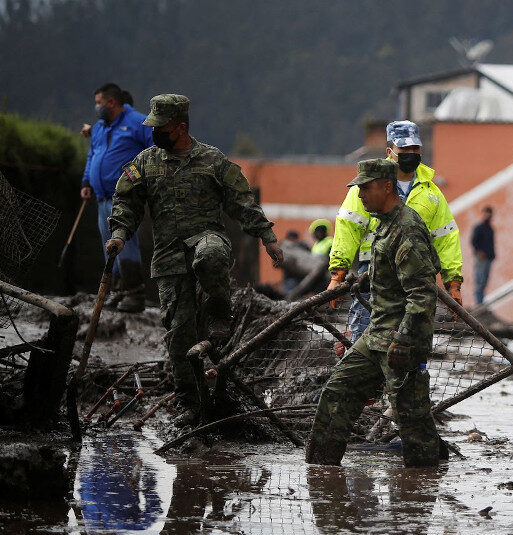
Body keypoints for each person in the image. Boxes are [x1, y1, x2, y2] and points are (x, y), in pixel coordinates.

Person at [105, 94, 283, 423]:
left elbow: (242, 200)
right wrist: (119, 234)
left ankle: (219, 311)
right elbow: (126, 202)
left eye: (161, 127)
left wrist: (267, 237)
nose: (155, 133)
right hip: (169, 257)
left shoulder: (212, 160)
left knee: (210, 255)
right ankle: (191, 402)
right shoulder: (145, 162)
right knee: (179, 334)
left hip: (207, 237)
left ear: (181, 127)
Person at [306, 159, 444, 467]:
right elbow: (391, 270)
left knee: (411, 417)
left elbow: (422, 293)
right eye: (359, 189)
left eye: (366, 188)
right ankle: (320, 470)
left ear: (387, 187)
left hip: (401, 338)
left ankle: (424, 483)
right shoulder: (384, 224)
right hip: (378, 333)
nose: (360, 195)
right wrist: (364, 279)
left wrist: (405, 340)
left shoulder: (407, 228)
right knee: (338, 390)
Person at [326, 120, 463, 344]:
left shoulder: (432, 192)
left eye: (415, 148)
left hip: (416, 277)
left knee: (411, 339)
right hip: (373, 272)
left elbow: (446, 237)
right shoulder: (371, 185)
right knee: (366, 335)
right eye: (405, 148)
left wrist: (453, 283)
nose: (411, 153)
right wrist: (337, 274)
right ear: (390, 151)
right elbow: (349, 226)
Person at [81, 83, 154, 312]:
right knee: (108, 246)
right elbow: (93, 155)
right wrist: (86, 181)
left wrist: (143, 178)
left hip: (125, 196)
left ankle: (134, 293)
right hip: (102, 197)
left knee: (125, 243)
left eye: (99, 103)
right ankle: (117, 291)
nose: (97, 107)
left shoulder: (138, 122)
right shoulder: (100, 127)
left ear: (111, 102)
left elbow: (155, 150)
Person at [469, 205, 496, 305]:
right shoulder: (479, 227)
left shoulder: (490, 229)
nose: (487, 215)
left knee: (484, 281)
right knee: (479, 281)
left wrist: (492, 255)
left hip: (488, 258)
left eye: (489, 213)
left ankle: (481, 302)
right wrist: (479, 252)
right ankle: (479, 303)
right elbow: (473, 242)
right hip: (481, 259)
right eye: (485, 213)